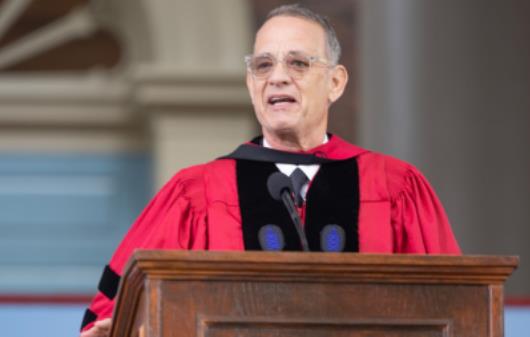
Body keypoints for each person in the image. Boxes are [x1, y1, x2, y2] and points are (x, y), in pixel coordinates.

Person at [79, 4, 460, 337]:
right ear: (251, 84)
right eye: (264, 65)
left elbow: (453, 307)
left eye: (298, 62)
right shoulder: (194, 193)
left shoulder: (396, 187)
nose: (277, 77)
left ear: (336, 82)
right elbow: (113, 311)